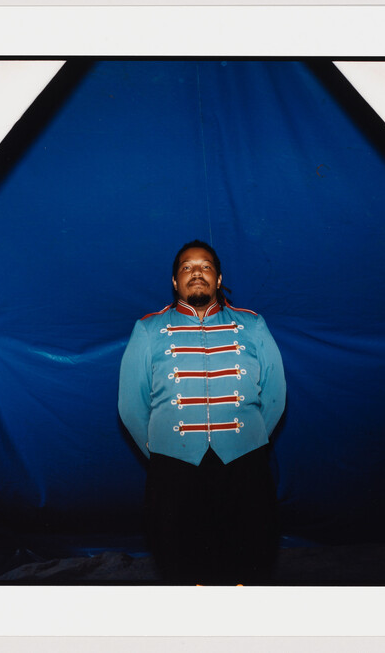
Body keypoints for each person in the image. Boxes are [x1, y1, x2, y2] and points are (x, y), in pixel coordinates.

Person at [118, 239, 286, 584]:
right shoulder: (148, 329)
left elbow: (275, 395)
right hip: (175, 471)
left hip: (245, 467)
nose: (197, 272)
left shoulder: (252, 325)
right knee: (183, 568)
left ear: (219, 279)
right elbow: (131, 405)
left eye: (206, 266)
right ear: (175, 282)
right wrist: (163, 452)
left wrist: (249, 440)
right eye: (187, 267)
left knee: (248, 565)